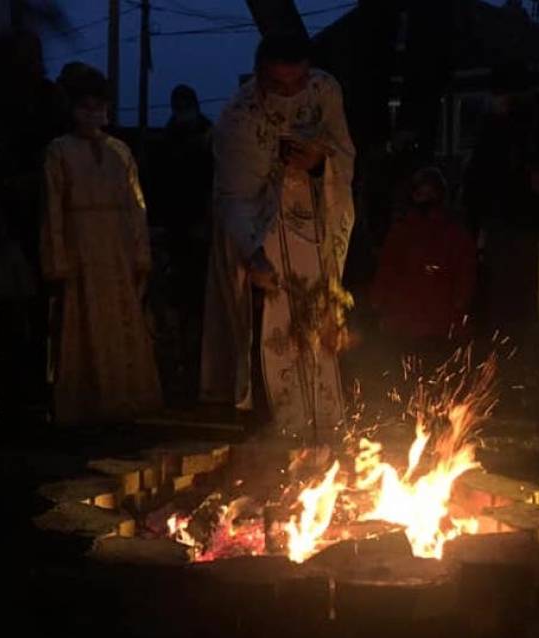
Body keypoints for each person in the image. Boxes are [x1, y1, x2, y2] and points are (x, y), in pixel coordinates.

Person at [200, 33, 355, 439]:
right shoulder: (239, 117)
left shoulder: (324, 91)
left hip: (316, 233)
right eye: (278, 86)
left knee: (321, 327)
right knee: (269, 334)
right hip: (262, 237)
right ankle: (272, 440)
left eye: (297, 83)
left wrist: (321, 162)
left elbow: (345, 155)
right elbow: (233, 196)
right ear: (260, 76)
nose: (290, 94)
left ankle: (327, 430)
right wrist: (252, 255)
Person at [40, 65, 162, 425]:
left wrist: (141, 253)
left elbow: (136, 205)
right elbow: (52, 207)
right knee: (84, 319)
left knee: (122, 318)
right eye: (85, 107)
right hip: (82, 245)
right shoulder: (59, 151)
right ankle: (86, 402)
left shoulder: (120, 152)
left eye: (98, 107)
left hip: (117, 246)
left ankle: (125, 399)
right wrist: (57, 258)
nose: (93, 115)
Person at [464, 62, 539, 408]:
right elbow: (478, 179)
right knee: (507, 307)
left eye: (499, 95)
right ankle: (512, 380)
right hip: (505, 229)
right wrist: (481, 226)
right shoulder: (494, 128)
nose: (495, 101)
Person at [370, 167, 476, 356]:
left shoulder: (453, 233)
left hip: (439, 328)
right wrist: (380, 304)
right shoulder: (402, 232)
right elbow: (387, 270)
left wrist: (460, 307)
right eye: (421, 193)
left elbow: (464, 273)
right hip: (405, 325)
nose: (426, 198)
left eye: (430, 193)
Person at [156, 84, 213, 404]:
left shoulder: (209, 137)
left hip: (202, 232)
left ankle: (198, 374)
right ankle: (181, 375)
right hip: (177, 232)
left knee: (200, 308)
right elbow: (160, 183)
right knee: (179, 308)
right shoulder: (167, 141)